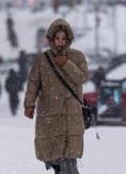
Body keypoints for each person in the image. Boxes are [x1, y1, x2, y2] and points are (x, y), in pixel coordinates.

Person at [24, 18, 89, 174]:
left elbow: (82, 77)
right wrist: (29, 104)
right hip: (49, 116)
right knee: (54, 157)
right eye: (57, 38)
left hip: (70, 116)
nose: (60, 42)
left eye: (63, 39)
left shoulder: (77, 57)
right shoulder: (42, 60)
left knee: (68, 158)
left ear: (68, 39)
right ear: (51, 39)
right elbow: (33, 83)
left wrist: (65, 62)